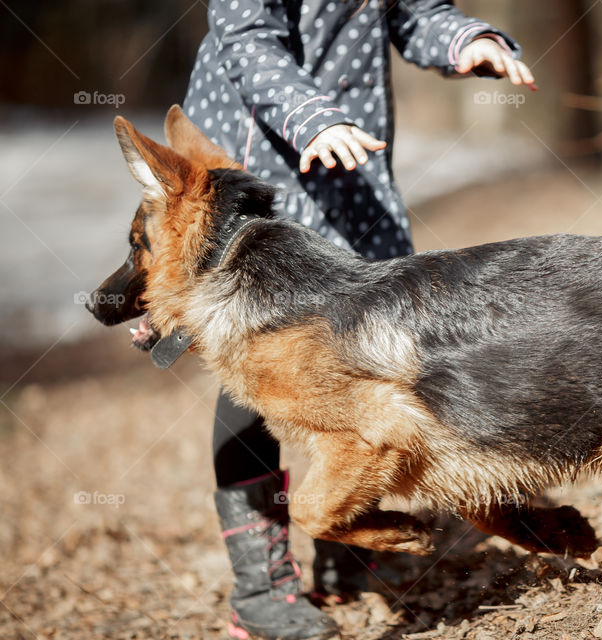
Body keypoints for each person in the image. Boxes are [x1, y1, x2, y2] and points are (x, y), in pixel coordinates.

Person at [183, 1, 535, 638]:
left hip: (347, 163)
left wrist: (465, 39)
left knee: (357, 361)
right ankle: (262, 591)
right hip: (253, 173)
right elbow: (248, 40)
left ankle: (347, 559)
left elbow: (414, 11)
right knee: (256, 377)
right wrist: (310, 117)